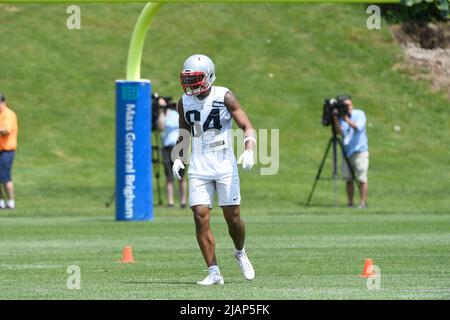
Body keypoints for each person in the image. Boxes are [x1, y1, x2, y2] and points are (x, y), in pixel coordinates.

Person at [172, 54, 256, 285]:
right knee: (200, 216)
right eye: (187, 80)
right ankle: (214, 272)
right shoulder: (184, 102)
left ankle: (240, 252)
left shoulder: (224, 96)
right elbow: (184, 133)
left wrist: (249, 149)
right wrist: (178, 158)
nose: (190, 85)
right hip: (199, 164)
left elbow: (247, 126)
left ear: (208, 77)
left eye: (195, 79)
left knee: (234, 218)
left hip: (224, 163)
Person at [332, 96, 369, 209]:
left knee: (362, 178)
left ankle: (362, 203)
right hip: (347, 152)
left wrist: (345, 118)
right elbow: (340, 132)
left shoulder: (359, 114)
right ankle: (350, 203)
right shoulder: (340, 119)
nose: (348, 107)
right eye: (346, 105)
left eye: (349, 105)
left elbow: (358, 127)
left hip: (359, 151)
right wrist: (335, 118)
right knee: (348, 179)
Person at [157, 97, 187, 208]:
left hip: (179, 147)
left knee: (181, 176)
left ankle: (183, 201)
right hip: (167, 148)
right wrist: (161, 111)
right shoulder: (162, 116)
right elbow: (160, 127)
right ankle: (170, 202)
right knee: (169, 176)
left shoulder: (176, 114)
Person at [0, 93, 18, 209]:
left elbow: (5, 131)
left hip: (7, 150)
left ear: (3, 102)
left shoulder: (9, 114)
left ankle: (11, 201)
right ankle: (0, 202)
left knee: (5, 176)